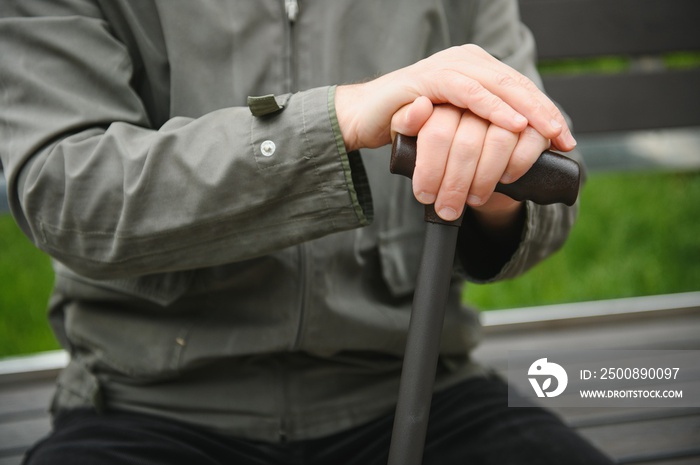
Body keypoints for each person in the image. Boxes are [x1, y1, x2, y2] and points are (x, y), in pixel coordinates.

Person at [0, 1, 612, 464]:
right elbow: (67, 190)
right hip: (146, 408)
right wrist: (337, 120)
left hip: (418, 390)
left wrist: (494, 184)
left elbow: (553, 186)